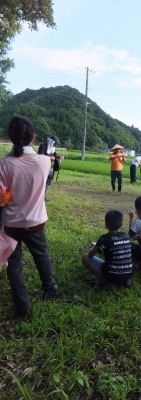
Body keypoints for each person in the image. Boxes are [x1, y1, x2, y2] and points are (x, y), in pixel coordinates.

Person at [0, 116, 58, 317]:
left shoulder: (4, 164)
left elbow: (1, 199)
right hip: (36, 222)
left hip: (11, 224)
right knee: (41, 257)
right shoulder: (44, 162)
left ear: (10, 137)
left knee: (14, 264)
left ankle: (22, 307)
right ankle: (50, 289)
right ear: (33, 138)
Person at [82, 210, 133, 290]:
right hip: (129, 273)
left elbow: (90, 255)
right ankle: (125, 281)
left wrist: (94, 247)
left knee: (85, 258)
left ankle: (104, 281)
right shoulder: (127, 236)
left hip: (111, 274)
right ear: (121, 224)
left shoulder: (104, 239)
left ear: (106, 225)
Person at [38, 134, 62, 200]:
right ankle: (40, 197)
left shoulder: (52, 148)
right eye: (55, 144)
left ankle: (44, 196)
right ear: (51, 142)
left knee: (48, 181)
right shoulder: (43, 146)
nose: (55, 145)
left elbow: (55, 155)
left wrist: (59, 157)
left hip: (49, 167)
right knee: (42, 182)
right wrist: (51, 158)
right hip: (42, 167)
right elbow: (40, 156)